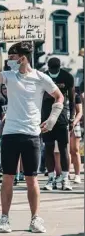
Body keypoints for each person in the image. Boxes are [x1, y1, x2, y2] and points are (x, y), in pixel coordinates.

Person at [0, 38, 64, 233]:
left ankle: (35, 219)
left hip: (32, 134)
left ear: (22, 58)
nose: (10, 60)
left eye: (12, 56)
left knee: (32, 179)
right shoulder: (9, 76)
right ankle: (4, 219)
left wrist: (52, 118)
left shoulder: (39, 77)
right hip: (11, 133)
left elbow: (59, 96)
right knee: (8, 177)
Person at [41, 57, 75, 191]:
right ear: (48, 68)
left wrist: (72, 118)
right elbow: (37, 96)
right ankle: (51, 178)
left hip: (61, 117)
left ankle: (65, 178)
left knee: (63, 148)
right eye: (52, 69)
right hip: (46, 116)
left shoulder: (67, 76)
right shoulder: (43, 76)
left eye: (56, 69)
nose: (54, 71)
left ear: (59, 68)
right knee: (48, 147)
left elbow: (71, 98)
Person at [70, 92, 83, 184]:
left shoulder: (76, 96)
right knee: (64, 151)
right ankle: (66, 174)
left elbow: (80, 112)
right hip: (62, 124)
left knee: (75, 150)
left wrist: (74, 122)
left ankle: (77, 175)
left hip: (74, 124)